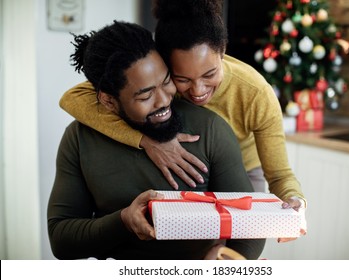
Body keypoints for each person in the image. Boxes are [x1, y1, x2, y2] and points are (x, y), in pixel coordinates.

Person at [59, 0, 306, 211]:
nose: (198, 91)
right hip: (186, 172)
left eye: (209, 74)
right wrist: (146, 141)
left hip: (243, 171)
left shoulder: (255, 93)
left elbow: (280, 174)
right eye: (182, 79)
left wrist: (295, 202)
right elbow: (72, 98)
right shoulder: (160, 81)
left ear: (223, 52)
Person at [47, 20, 265, 260]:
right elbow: (61, 240)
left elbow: (250, 225)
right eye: (146, 95)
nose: (164, 101)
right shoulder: (79, 138)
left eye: (166, 81)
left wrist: (225, 262)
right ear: (109, 101)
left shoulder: (210, 128)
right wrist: (123, 221)